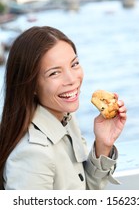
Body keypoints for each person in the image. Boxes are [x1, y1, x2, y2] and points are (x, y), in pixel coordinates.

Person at [0, 26, 127, 190]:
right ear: (31, 85)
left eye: (74, 64)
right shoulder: (33, 154)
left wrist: (103, 145)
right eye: (54, 73)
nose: (72, 79)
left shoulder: (66, 118)